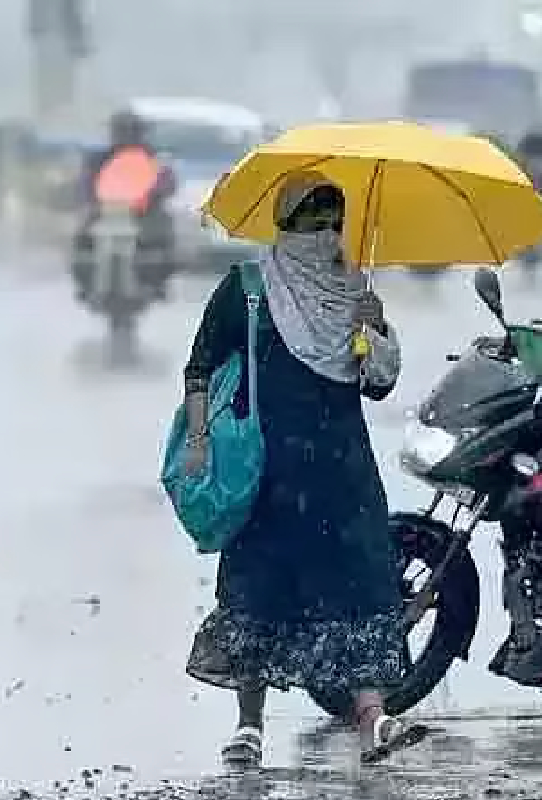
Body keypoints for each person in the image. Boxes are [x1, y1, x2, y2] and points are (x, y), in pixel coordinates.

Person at [181, 174, 425, 765]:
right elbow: (199, 367)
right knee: (259, 593)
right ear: (284, 226)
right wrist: (199, 439)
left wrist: (376, 323)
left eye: (332, 225)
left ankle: (373, 719)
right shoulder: (246, 288)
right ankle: (249, 725)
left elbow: (380, 384)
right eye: (311, 225)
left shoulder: (351, 292)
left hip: (342, 475)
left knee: (362, 592)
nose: (324, 238)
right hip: (270, 474)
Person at [73, 111, 177, 302]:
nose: (127, 136)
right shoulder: (99, 158)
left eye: (131, 131)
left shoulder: (154, 158)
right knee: (80, 238)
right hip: (106, 211)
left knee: (165, 235)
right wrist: (91, 201)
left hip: (144, 213)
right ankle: (85, 284)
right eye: (122, 131)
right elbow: (85, 182)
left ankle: (158, 283)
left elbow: (167, 181)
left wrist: (155, 194)